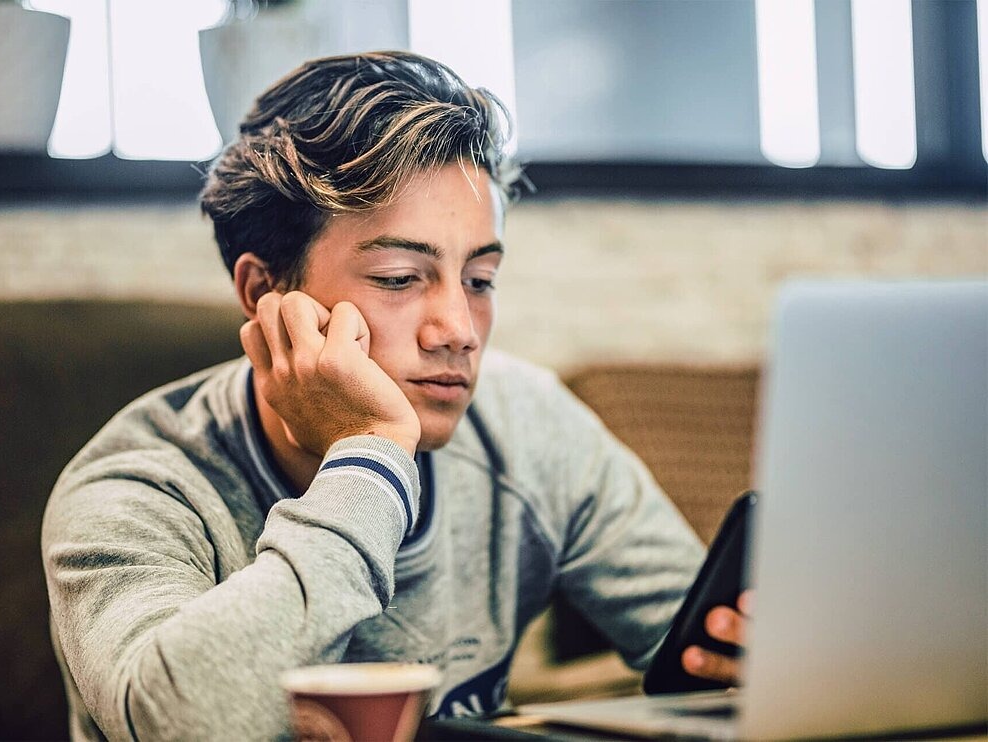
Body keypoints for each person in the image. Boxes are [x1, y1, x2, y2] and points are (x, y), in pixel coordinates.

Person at [42, 51, 748, 741]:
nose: (459, 331)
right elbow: (189, 723)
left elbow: (698, 648)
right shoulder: (131, 492)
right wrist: (370, 456)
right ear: (264, 292)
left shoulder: (531, 426)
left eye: (479, 279)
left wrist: (752, 650)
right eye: (400, 278)